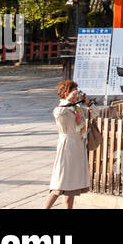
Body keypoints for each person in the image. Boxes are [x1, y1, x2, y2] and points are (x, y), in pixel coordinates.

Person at [46, 80, 91, 209]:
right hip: (67, 145)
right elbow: (57, 113)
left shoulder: (77, 107)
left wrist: (87, 102)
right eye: (72, 91)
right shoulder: (62, 108)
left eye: (76, 91)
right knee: (59, 182)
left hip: (78, 145)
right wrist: (69, 100)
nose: (75, 93)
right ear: (65, 93)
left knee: (72, 186)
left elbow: (95, 113)